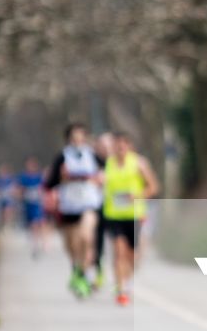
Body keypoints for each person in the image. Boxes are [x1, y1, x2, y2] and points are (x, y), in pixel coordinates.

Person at [101, 131, 160, 305]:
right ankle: (121, 289)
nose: (120, 149)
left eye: (123, 145)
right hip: (114, 214)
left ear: (129, 146)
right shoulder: (108, 164)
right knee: (119, 252)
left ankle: (127, 281)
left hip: (134, 215)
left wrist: (138, 195)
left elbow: (154, 187)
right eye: (117, 146)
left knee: (132, 256)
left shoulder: (139, 163)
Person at [44, 125, 104, 296]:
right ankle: (78, 270)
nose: (78, 141)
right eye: (74, 137)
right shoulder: (62, 157)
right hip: (69, 205)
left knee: (86, 236)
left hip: (89, 204)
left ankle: (84, 272)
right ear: (69, 139)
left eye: (81, 137)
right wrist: (62, 178)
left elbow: (106, 171)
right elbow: (50, 183)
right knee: (72, 245)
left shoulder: (92, 155)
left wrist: (101, 178)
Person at [18, 158, 49, 256]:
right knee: (33, 225)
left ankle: (44, 242)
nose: (30, 167)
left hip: (39, 204)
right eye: (28, 165)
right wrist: (21, 194)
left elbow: (45, 187)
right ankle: (35, 243)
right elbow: (19, 189)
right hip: (29, 205)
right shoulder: (24, 177)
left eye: (32, 165)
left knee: (41, 223)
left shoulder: (39, 177)